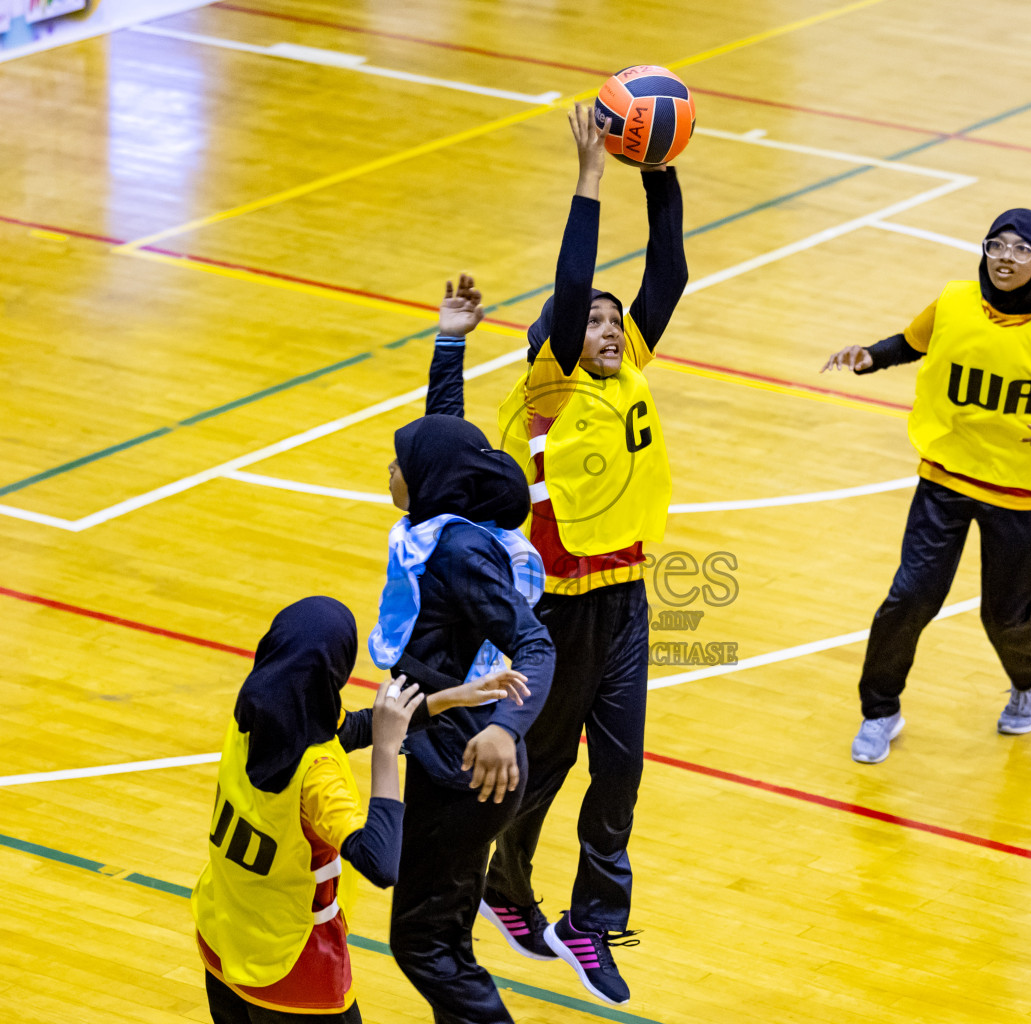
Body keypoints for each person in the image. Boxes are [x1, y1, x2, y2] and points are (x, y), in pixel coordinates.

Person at [476, 102, 687, 1007]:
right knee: (545, 765)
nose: (607, 326)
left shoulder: (624, 366)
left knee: (622, 767)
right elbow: (569, 292)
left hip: (627, 598)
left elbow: (668, 274)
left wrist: (660, 165)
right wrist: (590, 176)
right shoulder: (549, 391)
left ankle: (592, 923)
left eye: (613, 320)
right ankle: (501, 884)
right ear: (557, 349)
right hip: (554, 612)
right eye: (592, 320)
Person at [822, 208, 1031, 764]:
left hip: (1019, 493)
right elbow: (910, 342)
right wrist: (869, 357)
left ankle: (1030, 679)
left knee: (1005, 612)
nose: (1005, 257)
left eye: (1021, 249)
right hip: (945, 478)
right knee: (909, 598)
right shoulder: (953, 301)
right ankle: (880, 711)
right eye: (996, 245)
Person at [192, 597, 526, 1022]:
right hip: (291, 966)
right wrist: (386, 751)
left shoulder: (254, 714)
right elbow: (380, 861)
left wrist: (446, 699)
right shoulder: (317, 778)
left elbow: (343, 729)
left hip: (223, 933)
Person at [372, 300, 557, 1024]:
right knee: (443, 937)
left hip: (467, 766)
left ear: (425, 481)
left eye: (399, 464)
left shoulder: (456, 552)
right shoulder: (446, 517)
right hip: (448, 754)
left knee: (422, 943)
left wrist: (506, 728)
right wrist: (449, 346)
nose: (391, 467)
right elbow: (443, 439)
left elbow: (536, 643)